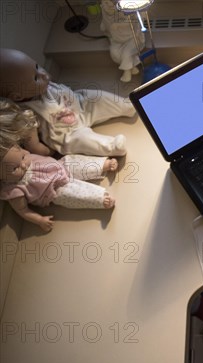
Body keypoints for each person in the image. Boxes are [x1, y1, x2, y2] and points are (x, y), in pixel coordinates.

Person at [0, 99, 118, 232]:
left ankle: (103, 164)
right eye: (15, 168)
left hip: (58, 166)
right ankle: (99, 199)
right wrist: (39, 220)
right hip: (53, 190)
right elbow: (23, 211)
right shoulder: (12, 190)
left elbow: (35, 146)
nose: (23, 165)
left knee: (72, 161)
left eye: (23, 157)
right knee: (72, 194)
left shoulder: (18, 149)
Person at [0, 48, 135, 157]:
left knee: (97, 98)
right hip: (66, 132)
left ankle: (127, 106)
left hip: (79, 105)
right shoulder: (24, 115)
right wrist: (49, 152)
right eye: (36, 78)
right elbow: (34, 146)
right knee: (82, 140)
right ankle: (112, 146)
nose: (44, 74)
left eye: (37, 66)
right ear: (17, 96)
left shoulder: (43, 85)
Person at [100, 0, 145, 83]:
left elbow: (136, 19)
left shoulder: (127, 5)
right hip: (117, 39)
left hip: (133, 36)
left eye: (113, 3)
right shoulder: (105, 11)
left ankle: (127, 71)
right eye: (106, 3)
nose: (109, 5)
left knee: (126, 53)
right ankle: (132, 66)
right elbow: (105, 25)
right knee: (114, 53)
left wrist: (118, 25)